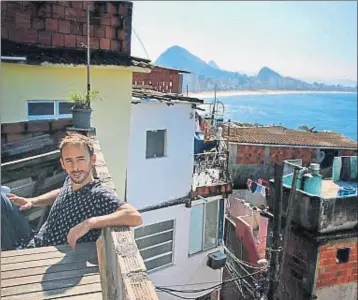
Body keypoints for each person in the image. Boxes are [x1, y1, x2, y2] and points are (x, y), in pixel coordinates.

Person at [1, 132, 142, 250]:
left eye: (80, 159)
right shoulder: (70, 181)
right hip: (31, 239)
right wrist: (32, 201)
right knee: (3, 192)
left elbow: (134, 216)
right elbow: (60, 192)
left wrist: (89, 223)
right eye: (69, 161)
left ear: (92, 159)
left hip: (38, 254)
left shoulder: (98, 194)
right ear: (62, 163)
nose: (75, 168)